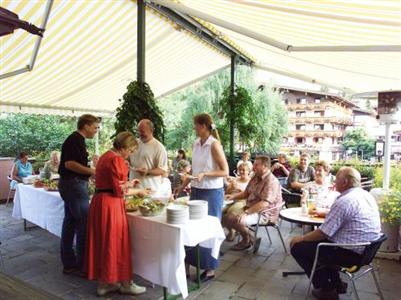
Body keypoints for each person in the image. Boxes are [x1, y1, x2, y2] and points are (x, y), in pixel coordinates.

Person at [290, 167, 381, 300]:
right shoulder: (365, 195)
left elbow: (323, 233)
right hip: (367, 250)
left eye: (336, 178)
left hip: (350, 253)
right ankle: (336, 283)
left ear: (344, 182)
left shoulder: (344, 201)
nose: (334, 181)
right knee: (318, 245)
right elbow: (350, 215)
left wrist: (301, 238)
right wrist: (326, 213)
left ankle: (326, 289)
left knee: (298, 248)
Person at [86, 131, 147, 296]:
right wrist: (138, 191)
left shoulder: (106, 155)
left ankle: (105, 283)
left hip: (100, 202)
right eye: (131, 150)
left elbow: (111, 182)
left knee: (104, 243)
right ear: (125, 147)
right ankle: (126, 283)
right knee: (117, 243)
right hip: (110, 204)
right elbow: (119, 191)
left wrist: (128, 183)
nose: (131, 154)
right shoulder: (117, 159)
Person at [181, 113, 228, 282]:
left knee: (209, 230)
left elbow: (225, 171)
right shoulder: (195, 144)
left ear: (203, 126)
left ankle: (210, 269)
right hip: (196, 190)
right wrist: (183, 183)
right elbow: (195, 171)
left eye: (195, 124)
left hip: (212, 192)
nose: (194, 127)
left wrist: (205, 174)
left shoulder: (214, 145)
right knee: (193, 228)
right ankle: (193, 262)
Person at [58, 114, 99, 275]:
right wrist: (92, 171)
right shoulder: (75, 140)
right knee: (84, 225)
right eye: (95, 127)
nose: (96, 131)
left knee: (69, 223)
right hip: (74, 185)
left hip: (70, 184)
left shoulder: (76, 140)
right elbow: (69, 164)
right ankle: (83, 265)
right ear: (86, 125)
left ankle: (69, 263)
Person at [223, 156, 282, 251]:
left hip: (265, 213)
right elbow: (246, 192)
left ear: (265, 166)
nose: (253, 167)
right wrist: (233, 196)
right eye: (254, 164)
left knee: (236, 219)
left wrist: (246, 213)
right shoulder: (256, 177)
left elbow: (264, 203)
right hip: (252, 208)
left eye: (256, 165)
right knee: (226, 218)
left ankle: (246, 241)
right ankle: (252, 238)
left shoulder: (271, 181)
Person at [129, 119, 168, 191]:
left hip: (150, 189)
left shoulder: (159, 147)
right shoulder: (134, 143)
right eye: (138, 131)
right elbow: (128, 159)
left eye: (142, 131)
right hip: (133, 189)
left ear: (151, 130)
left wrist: (147, 172)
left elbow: (162, 170)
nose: (140, 133)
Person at [223, 162, 252, 241]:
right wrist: (231, 186)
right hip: (230, 200)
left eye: (243, 170)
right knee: (219, 211)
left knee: (230, 212)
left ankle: (233, 230)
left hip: (243, 201)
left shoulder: (251, 182)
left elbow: (250, 195)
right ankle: (231, 229)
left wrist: (239, 189)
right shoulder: (235, 179)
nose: (241, 172)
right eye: (240, 170)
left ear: (248, 171)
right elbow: (227, 192)